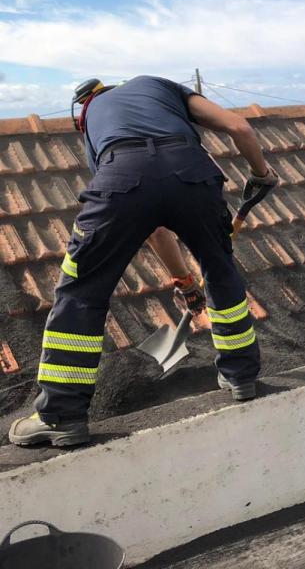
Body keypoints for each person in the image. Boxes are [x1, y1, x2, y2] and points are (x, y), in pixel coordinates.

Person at [8, 75, 279, 447]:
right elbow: (238, 126)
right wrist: (261, 173)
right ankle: (240, 377)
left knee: (81, 289)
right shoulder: (162, 86)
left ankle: (60, 415)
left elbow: (144, 210)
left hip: (123, 174)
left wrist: (182, 281)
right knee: (220, 269)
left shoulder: (92, 118)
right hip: (193, 174)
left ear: (84, 105)